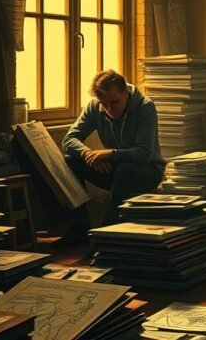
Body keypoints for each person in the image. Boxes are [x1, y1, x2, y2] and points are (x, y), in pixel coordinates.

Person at [55, 70, 165, 248]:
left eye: (114, 102)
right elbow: (69, 139)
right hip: (113, 168)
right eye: (104, 104)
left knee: (125, 169)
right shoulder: (95, 106)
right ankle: (80, 227)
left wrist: (109, 154)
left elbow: (144, 154)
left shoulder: (145, 107)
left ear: (125, 92)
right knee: (69, 161)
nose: (109, 109)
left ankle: (105, 235)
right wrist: (88, 154)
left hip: (147, 170)